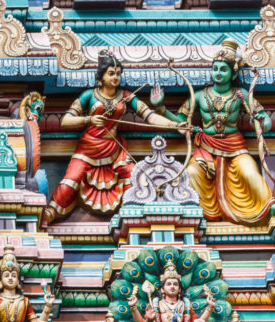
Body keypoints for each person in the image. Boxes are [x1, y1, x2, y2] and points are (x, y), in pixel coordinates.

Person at [44, 49, 184, 224]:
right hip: (88, 149)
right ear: (101, 77)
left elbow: (148, 116)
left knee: (136, 177)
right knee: (70, 181)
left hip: (114, 150)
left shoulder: (125, 96)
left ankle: (135, 218)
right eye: (111, 73)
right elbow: (65, 120)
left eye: (118, 73)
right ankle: (49, 215)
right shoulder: (89, 95)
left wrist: (175, 124)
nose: (115, 77)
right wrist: (90, 119)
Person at [152, 39, 275, 227]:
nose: (218, 73)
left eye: (223, 69)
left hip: (234, 147)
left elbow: (264, 118)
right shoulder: (201, 95)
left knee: (250, 172)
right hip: (206, 147)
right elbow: (181, 122)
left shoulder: (240, 94)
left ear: (233, 73)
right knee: (192, 172)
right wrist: (161, 108)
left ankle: (267, 206)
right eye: (215, 68)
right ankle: (198, 212)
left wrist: (261, 123)